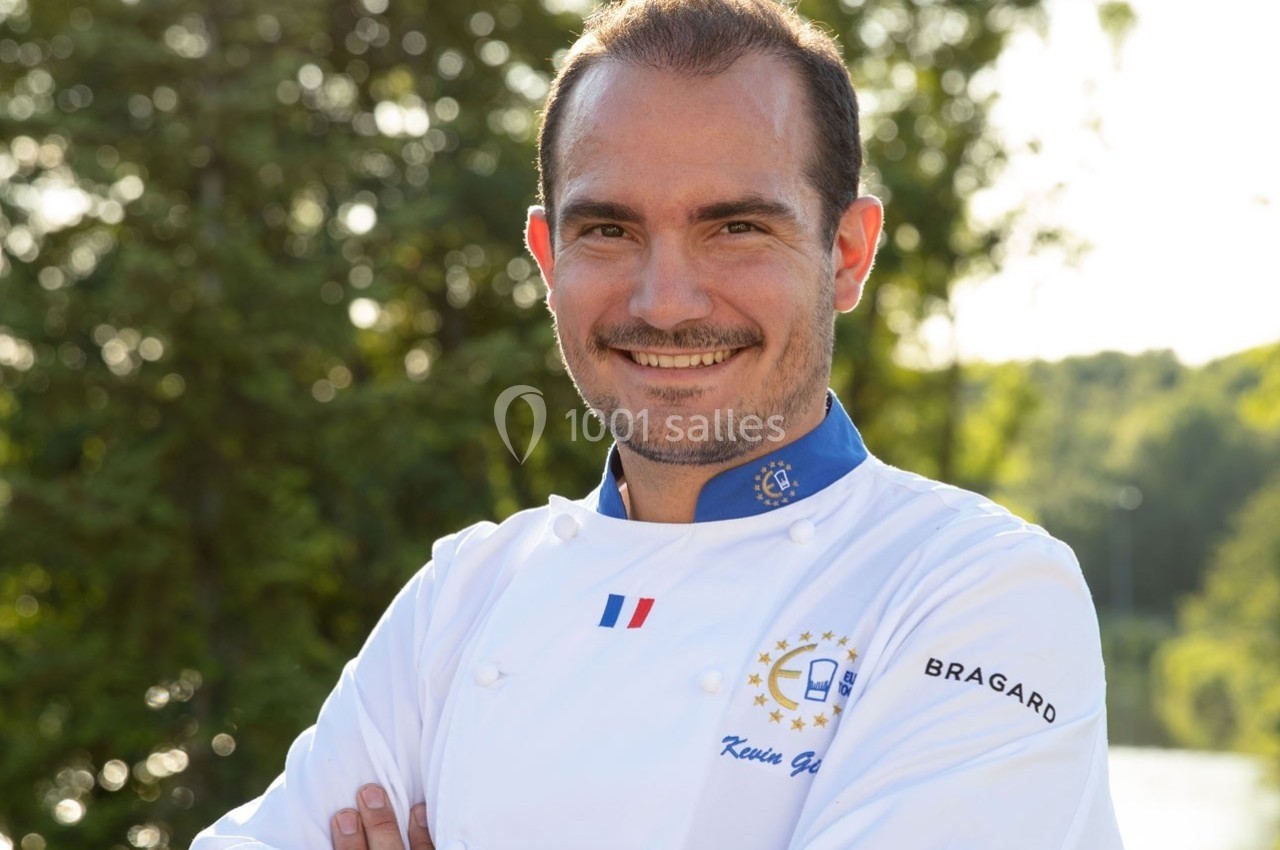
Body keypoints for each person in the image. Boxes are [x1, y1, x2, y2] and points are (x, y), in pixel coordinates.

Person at [192, 0, 1124, 847]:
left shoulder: (977, 592)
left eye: (737, 229)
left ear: (846, 252)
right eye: (609, 231)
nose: (667, 303)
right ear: (548, 256)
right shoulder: (464, 593)